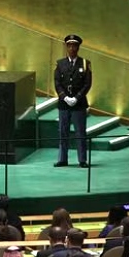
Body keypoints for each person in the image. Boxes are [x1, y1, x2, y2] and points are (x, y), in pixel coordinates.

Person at [54, 34, 92, 167]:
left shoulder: (85, 64)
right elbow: (57, 82)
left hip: (79, 103)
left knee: (80, 132)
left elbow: (87, 84)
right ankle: (62, 159)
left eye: (74, 45)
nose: (71, 48)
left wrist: (76, 98)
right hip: (64, 104)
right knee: (63, 132)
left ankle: (82, 160)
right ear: (66, 47)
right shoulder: (60, 63)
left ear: (78, 47)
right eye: (69, 45)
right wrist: (64, 97)